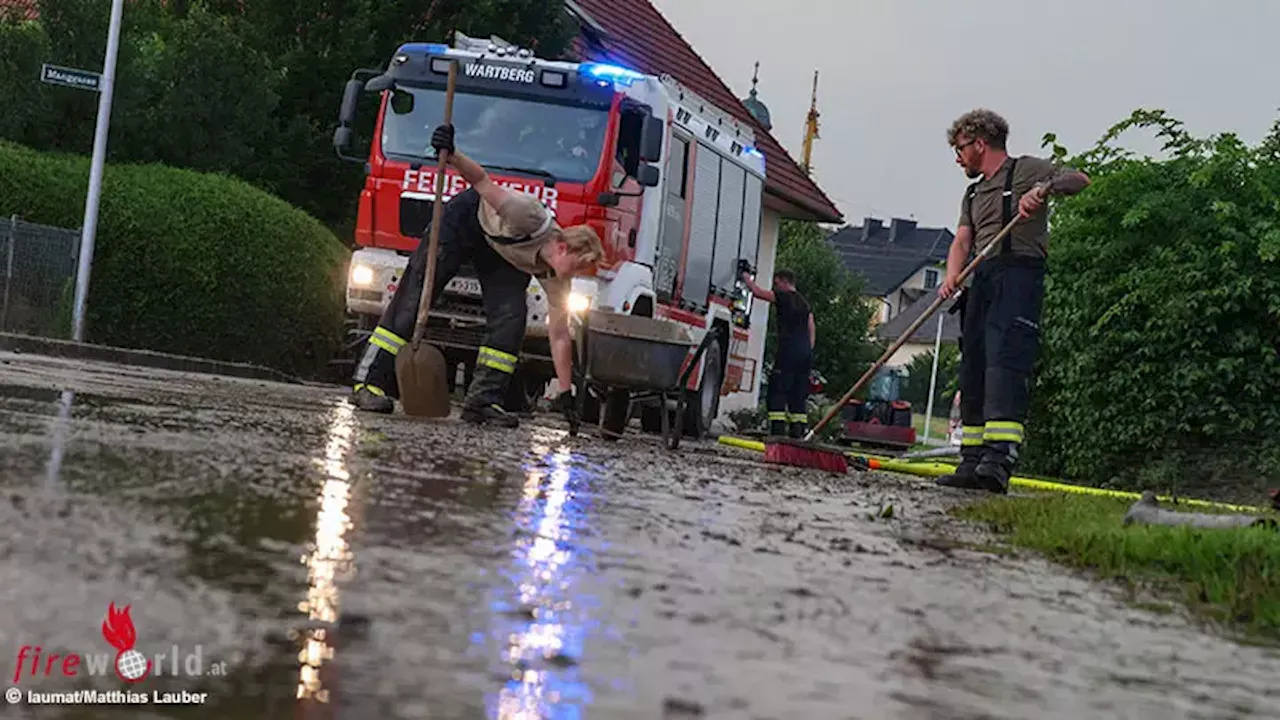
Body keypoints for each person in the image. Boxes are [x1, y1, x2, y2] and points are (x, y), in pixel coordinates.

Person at [351, 123, 606, 427]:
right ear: (563, 248)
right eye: (578, 266)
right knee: (414, 297)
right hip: (465, 222)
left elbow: (560, 336)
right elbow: (482, 182)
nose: (576, 275)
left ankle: (483, 401)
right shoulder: (527, 214)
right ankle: (368, 383)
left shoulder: (556, 276)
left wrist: (566, 391)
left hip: (499, 253)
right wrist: (453, 153)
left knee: (511, 319)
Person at [936, 108, 1090, 492]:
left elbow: (1080, 179)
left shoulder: (1026, 170)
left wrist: (1043, 191)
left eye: (960, 149)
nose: (957, 158)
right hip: (980, 279)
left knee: (1005, 361)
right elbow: (962, 241)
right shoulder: (972, 193)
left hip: (1018, 274)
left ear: (980, 143)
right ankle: (970, 461)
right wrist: (954, 275)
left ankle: (998, 460)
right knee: (974, 365)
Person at [740, 268, 816, 438]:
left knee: (778, 391)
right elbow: (812, 327)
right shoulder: (804, 303)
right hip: (805, 354)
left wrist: (746, 277)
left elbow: (758, 293)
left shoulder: (783, 297)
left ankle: (777, 433)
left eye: (776, 283)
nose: (775, 287)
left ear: (783, 281)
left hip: (788, 352)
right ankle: (798, 433)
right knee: (798, 394)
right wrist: (808, 350)